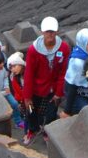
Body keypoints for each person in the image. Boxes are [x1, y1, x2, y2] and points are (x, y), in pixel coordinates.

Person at [22, 16, 69, 145]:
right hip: (37, 88)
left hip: (53, 88)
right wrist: (27, 96)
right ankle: (31, 130)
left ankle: (48, 133)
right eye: (48, 31)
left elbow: (63, 72)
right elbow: (29, 74)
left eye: (53, 31)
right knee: (31, 110)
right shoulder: (33, 50)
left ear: (57, 31)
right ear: (42, 32)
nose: (50, 34)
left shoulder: (63, 48)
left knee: (51, 113)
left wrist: (59, 92)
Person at [62, 28, 88, 115]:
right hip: (78, 92)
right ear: (83, 45)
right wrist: (67, 111)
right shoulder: (78, 63)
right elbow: (72, 87)